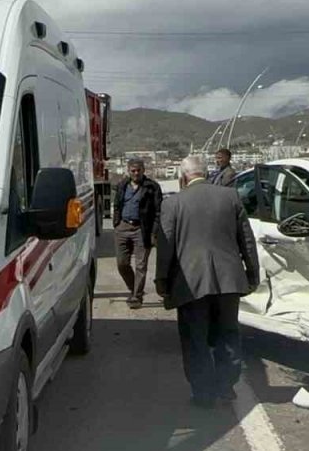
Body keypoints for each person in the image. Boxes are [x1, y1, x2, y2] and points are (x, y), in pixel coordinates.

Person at [155, 155, 260, 408]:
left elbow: (165, 247)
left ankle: (203, 393)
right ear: (206, 173)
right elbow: (246, 239)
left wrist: (162, 281)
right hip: (228, 280)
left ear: (182, 177)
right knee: (227, 332)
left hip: (190, 283)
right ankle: (226, 385)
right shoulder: (230, 197)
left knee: (195, 338)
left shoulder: (173, 204)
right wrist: (252, 273)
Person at [111, 158, 163, 308]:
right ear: (128, 171)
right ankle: (133, 288)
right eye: (133, 170)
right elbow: (117, 205)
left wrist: (153, 232)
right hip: (123, 227)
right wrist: (116, 223)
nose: (136, 173)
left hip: (142, 229)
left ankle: (137, 296)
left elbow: (158, 212)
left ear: (143, 170)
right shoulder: (122, 185)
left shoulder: (152, 187)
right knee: (122, 264)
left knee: (141, 265)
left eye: (138, 170)